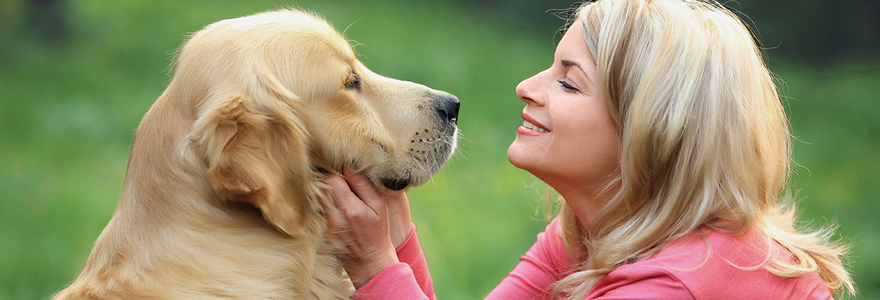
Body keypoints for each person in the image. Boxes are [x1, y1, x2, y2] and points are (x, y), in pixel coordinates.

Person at [324, 0, 856, 299]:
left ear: (649, 133)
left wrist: (375, 268)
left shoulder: (672, 288)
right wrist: (396, 241)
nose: (527, 87)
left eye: (569, 83)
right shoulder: (595, 232)